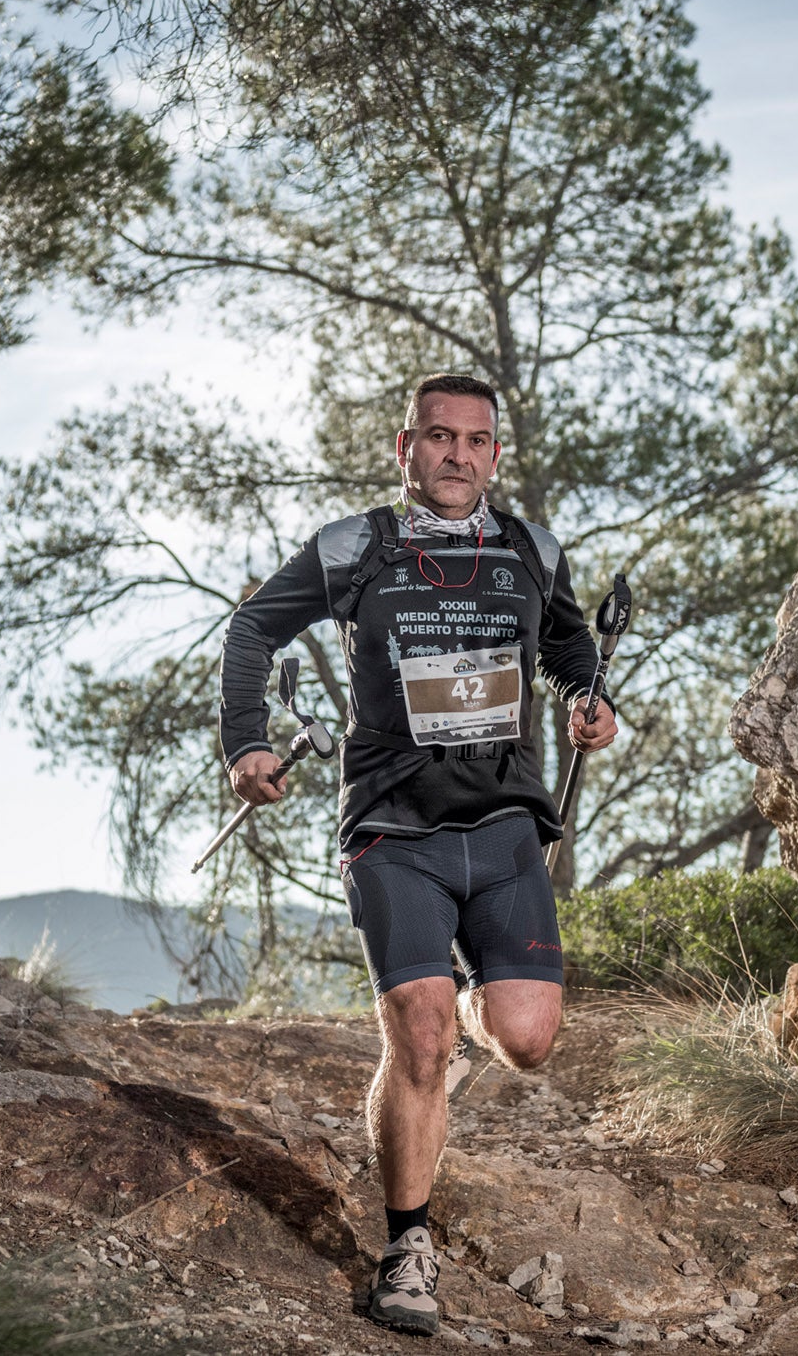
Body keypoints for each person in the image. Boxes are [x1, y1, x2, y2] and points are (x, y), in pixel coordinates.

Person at [217, 372, 618, 1337]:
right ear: (407, 449)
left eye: (476, 441)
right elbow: (252, 628)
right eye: (438, 438)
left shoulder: (531, 550)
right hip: (395, 827)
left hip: (507, 826)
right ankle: (407, 1245)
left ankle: (434, 1042)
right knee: (424, 1031)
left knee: (524, 1038)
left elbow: (569, 649)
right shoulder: (357, 547)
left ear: (493, 455)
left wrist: (588, 700)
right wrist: (246, 741)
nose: (457, 455)